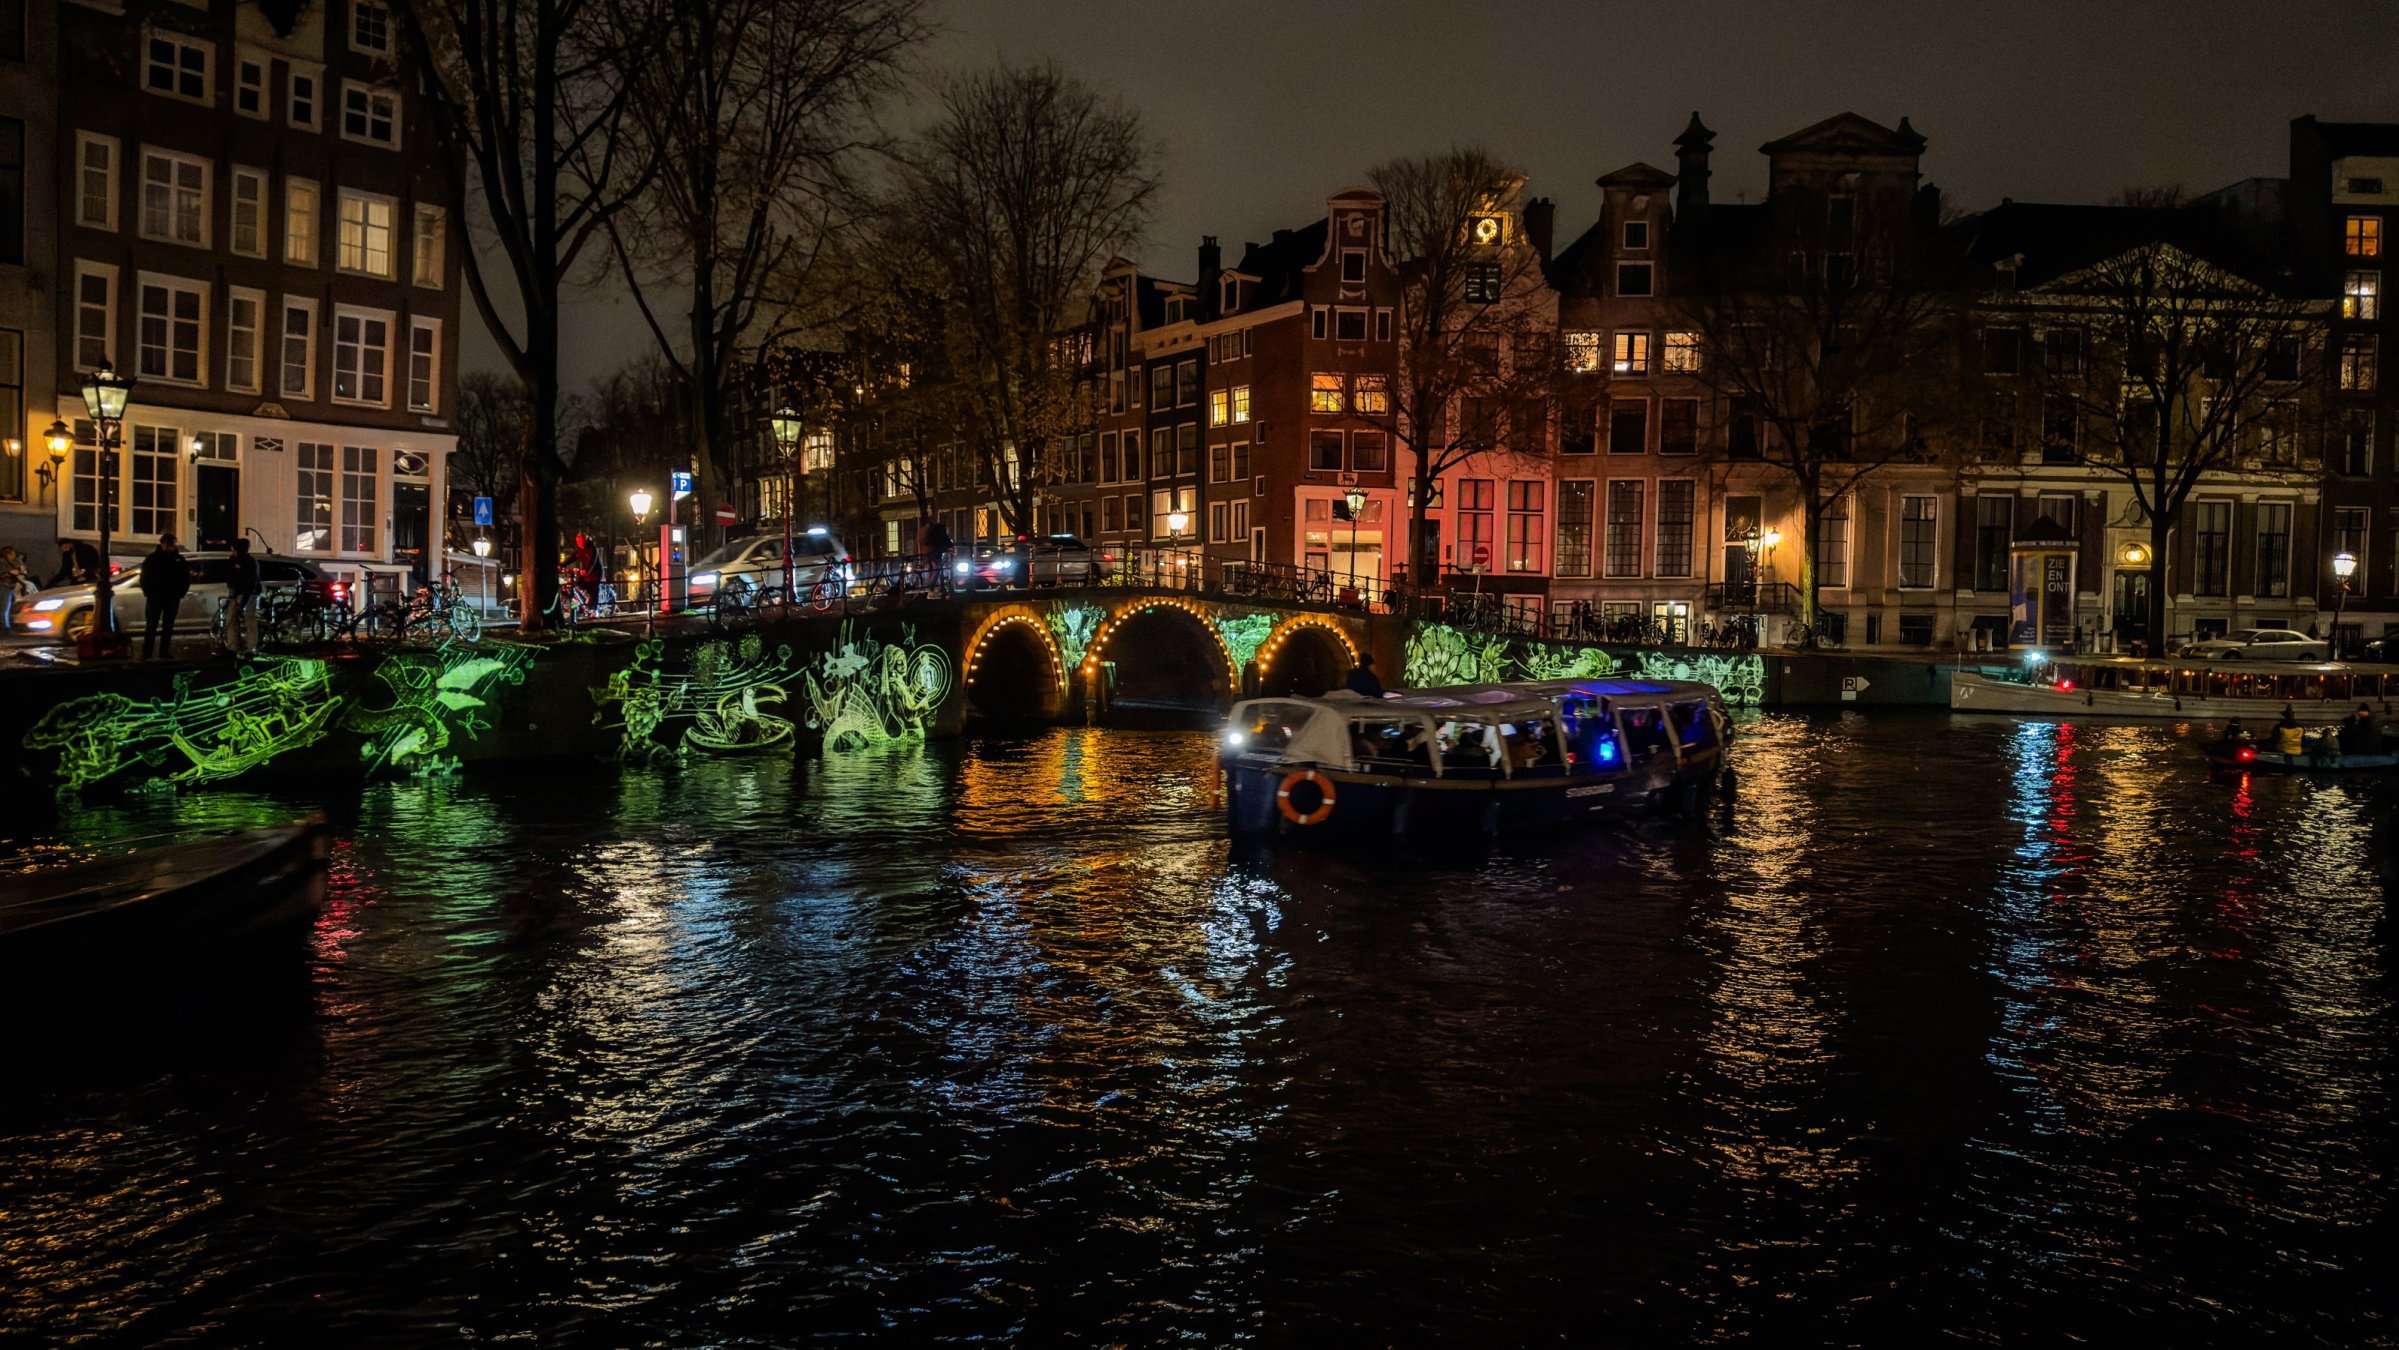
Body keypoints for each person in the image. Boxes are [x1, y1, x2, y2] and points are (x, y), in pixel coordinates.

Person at [136, 534, 190, 660]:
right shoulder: (155, 559)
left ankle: (160, 652)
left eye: (171, 544)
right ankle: (149, 652)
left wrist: (180, 593)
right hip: (158, 597)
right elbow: (144, 578)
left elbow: (185, 578)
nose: (169, 547)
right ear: (163, 544)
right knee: (152, 625)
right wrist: (148, 592)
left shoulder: (175, 560)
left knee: (166, 625)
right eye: (168, 544)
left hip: (168, 597)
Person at [223, 537, 261, 654]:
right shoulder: (232, 560)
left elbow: (251, 582)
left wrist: (244, 601)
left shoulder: (249, 562)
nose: (232, 551)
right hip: (236, 594)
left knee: (249, 621)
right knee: (230, 620)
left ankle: (251, 647)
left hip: (248, 594)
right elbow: (229, 576)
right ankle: (233, 646)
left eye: (233, 548)